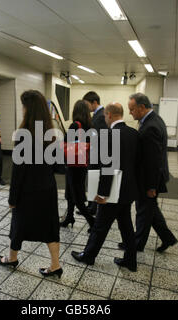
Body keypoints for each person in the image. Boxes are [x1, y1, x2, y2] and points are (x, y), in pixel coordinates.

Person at [0, 90, 63, 278]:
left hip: (27, 191)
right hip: (47, 189)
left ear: (28, 108)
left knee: (18, 226)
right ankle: (55, 265)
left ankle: (11, 258)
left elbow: (18, 172)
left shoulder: (23, 134)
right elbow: (59, 167)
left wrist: (12, 198)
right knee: (50, 228)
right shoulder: (52, 134)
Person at [71, 103, 139, 272]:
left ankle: (88, 256)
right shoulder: (134, 134)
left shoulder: (108, 135)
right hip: (128, 189)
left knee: (100, 226)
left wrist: (101, 193)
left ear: (108, 115)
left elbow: (107, 168)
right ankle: (131, 260)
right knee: (126, 226)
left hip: (112, 191)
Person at [121, 93, 177, 253]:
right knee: (151, 211)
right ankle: (168, 238)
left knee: (143, 211)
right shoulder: (154, 120)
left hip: (150, 179)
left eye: (132, 109)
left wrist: (151, 186)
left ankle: (136, 244)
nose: (130, 113)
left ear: (141, 107)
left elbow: (153, 160)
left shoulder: (151, 126)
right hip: (153, 176)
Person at [61, 100, 95, 231]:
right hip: (82, 164)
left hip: (73, 164)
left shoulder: (75, 125)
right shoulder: (90, 126)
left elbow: (66, 142)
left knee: (78, 198)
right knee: (70, 193)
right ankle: (69, 217)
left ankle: (93, 222)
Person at [83, 91, 107, 216]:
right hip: (94, 154)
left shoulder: (101, 116)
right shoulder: (97, 115)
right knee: (92, 182)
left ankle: (94, 209)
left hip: (97, 155)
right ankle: (91, 207)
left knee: (95, 182)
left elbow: (99, 137)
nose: (86, 107)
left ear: (94, 102)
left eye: (87, 104)